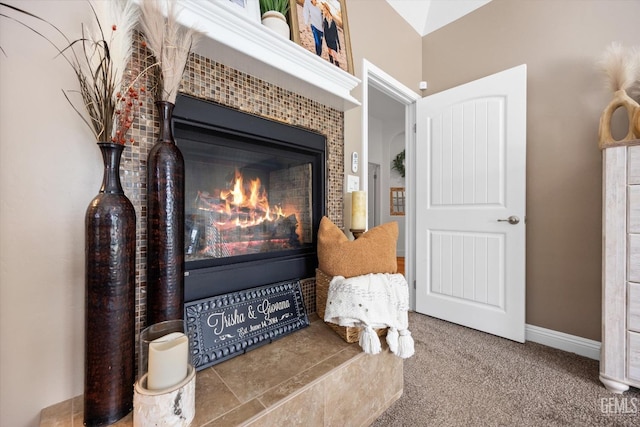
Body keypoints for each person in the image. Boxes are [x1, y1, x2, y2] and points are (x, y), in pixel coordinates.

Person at [321, 2, 340, 67]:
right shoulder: (324, 21)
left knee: (335, 55)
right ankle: (331, 66)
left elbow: (336, 33)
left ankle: (337, 67)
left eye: (324, 9)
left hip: (333, 41)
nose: (323, 11)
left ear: (327, 9)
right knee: (330, 53)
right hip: (328, 40)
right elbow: (323, 30)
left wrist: (339, 44)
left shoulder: (333, 22)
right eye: (322, 9)